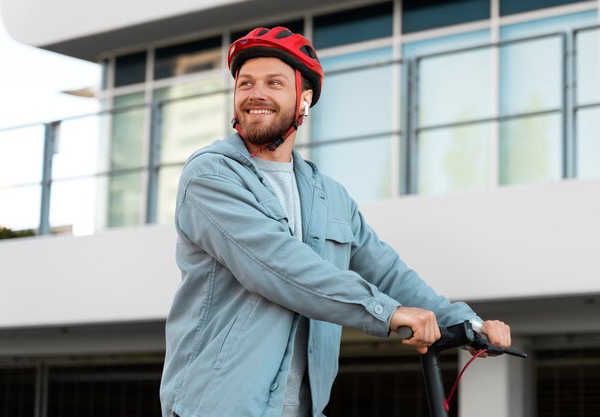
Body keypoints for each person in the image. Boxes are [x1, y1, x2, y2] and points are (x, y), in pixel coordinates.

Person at [160, 26, 511, 417]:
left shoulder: (328, 195)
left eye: (273, 83)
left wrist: (467, 324)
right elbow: (277, 265)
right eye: (246, 84)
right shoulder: (211, 176)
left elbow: (388, 273)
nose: (255, 94)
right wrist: (387, 313)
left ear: (304, 99)